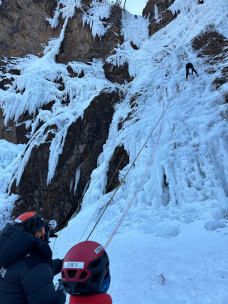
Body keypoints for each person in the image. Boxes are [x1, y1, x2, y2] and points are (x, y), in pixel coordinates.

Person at [0, 212, 66, 304]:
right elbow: (35, 270)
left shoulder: (11, 253)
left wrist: (63, 263)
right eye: (43, 229)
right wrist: (62, 291)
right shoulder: (35, 263)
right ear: (37, 234)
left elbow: (30, 272)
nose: (45, 231)